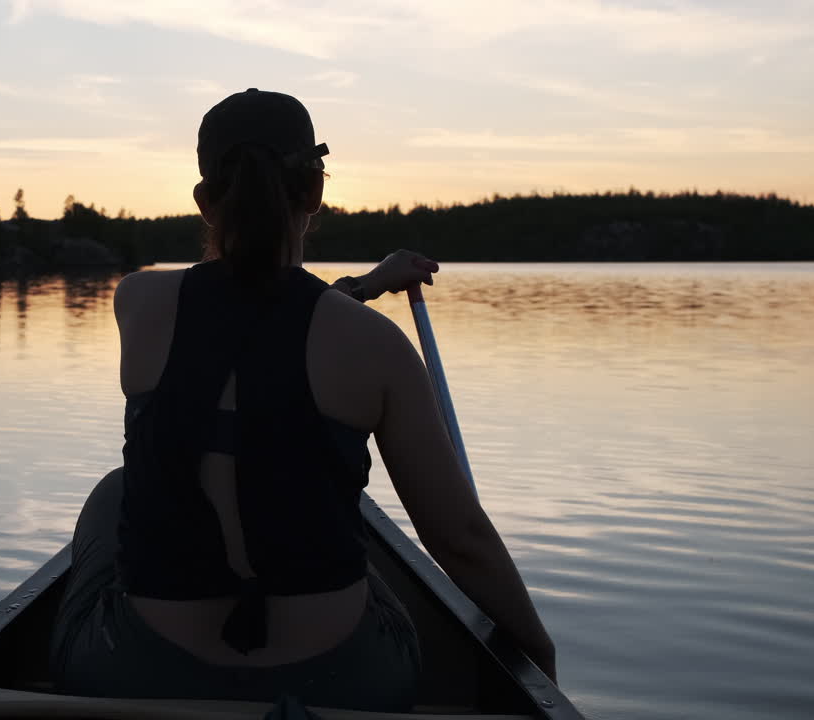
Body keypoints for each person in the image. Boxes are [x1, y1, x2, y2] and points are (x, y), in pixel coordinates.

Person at [49, 89, 555, 712]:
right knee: (358, 535)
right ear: (315, 191)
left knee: (115, 492)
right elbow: (460, 540)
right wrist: (539, 650)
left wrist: (361, 286)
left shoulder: (137, 302)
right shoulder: (377, 347)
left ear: (205, 202)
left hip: (138, 673)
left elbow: (245, 320)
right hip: (348, 681)